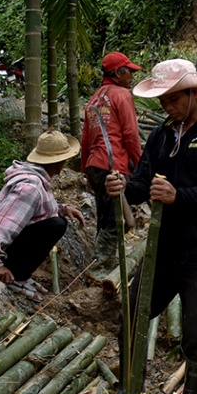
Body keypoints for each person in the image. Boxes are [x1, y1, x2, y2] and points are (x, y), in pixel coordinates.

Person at [106, 60, 197, 394]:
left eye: (174, 99)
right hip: (163, 249)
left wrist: (180, 196)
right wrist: (122, 187)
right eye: (163, 101)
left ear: (193, 94)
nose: (168, 107)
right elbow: (142, 183)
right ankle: (131, 390)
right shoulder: (161, 135)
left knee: (196, 333)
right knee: (131, 312)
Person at [0, 132, 86, 293]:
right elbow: (1, 226)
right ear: (59, 163)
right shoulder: (30, 187)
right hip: (0, 257)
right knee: (56, 225)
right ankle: (16, 275)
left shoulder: (37, 179)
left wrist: (63, 209)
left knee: (58, 220)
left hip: (6, 250)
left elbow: (39, 209)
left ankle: (21, 274)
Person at [81, 51, 143, 270]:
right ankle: (99, 267)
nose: (132, 76)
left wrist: (86, 171)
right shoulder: (122, 95)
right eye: (129, 71)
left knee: (105, 218)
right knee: (118, 222)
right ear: (118, 72)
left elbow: (86, 139)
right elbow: (131, 135)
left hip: (95, 166)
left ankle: (104, 263)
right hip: (113, 166)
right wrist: (143, 165)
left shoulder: (94, 99)